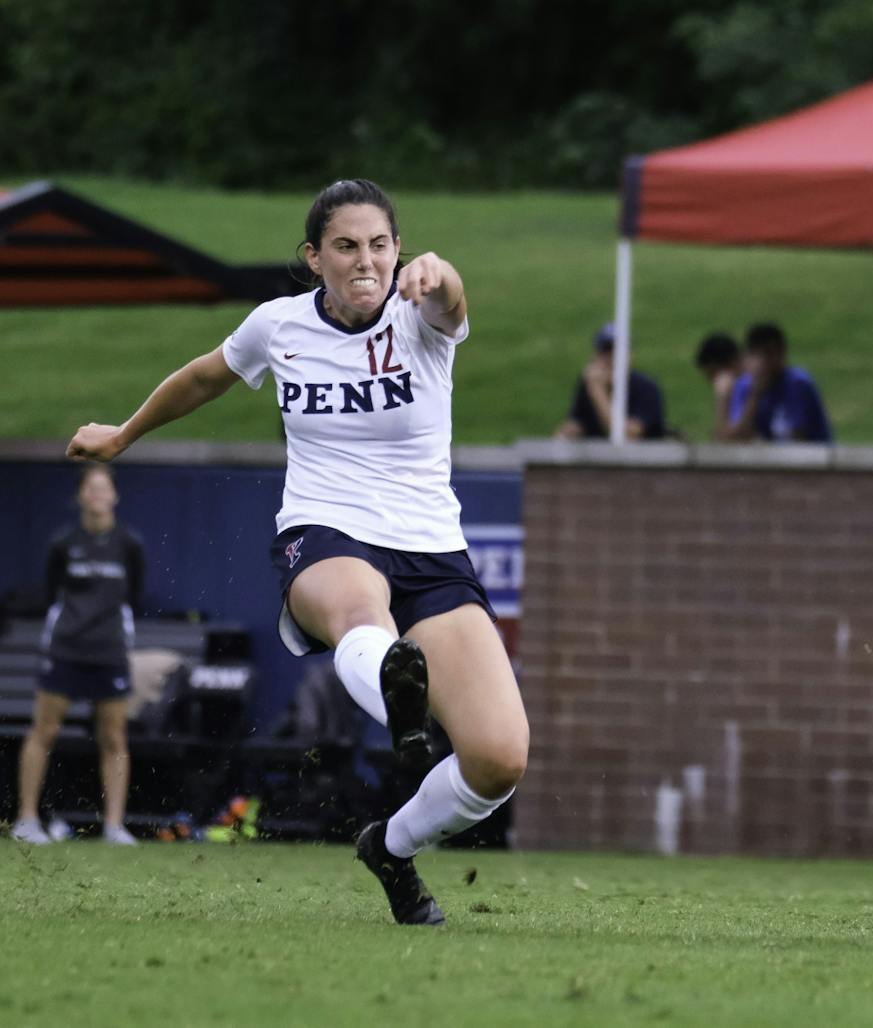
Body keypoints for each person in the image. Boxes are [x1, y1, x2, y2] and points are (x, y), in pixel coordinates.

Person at [65, 179, 530, 926]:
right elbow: (203, 377)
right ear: (314, 258)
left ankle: (391, 847)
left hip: (431, 549)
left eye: (380, 244)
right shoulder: (277, 326)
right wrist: (123, 434)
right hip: (325, 532)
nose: (366, 261)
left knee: (500, 759)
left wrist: (440, 274)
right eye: (346, 246)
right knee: (357, 609)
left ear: (399, 251)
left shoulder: (424, 317)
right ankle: (397, 700)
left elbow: (451, 300)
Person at [11, 465, 144, 846]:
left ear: (115, 496)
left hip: (110, 651)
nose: (98, 495)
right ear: (81, 496)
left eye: (105, 489)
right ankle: (27, 820)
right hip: (66, 648)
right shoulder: (63, 544)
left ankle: (115, 826)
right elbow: (52, 593)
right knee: (44, 731)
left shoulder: (129, 545)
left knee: (113, 737)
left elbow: (133, 596)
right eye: (92, 488)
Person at [554, 324, 667, 441]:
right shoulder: (587, 384)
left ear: (630, 355)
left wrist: (597, 390)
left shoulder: (646, 388)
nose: (612, 358)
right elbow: (577, 423)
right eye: (607, 352)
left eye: (619, 352)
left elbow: (626, 435)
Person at [725, 322, 833, 443]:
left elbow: (798, 440)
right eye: (762, 355)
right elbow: (737, 440)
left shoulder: (797, 384)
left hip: (809, 458)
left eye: (772, 354)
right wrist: (755, 396)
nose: (768, 362)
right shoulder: (744, 387)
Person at [694, 331, 743, 441]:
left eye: (713, 375)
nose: (714, 383)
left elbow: (725, 441)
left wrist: (722, 398)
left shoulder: (747, 389)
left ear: (732, 364)